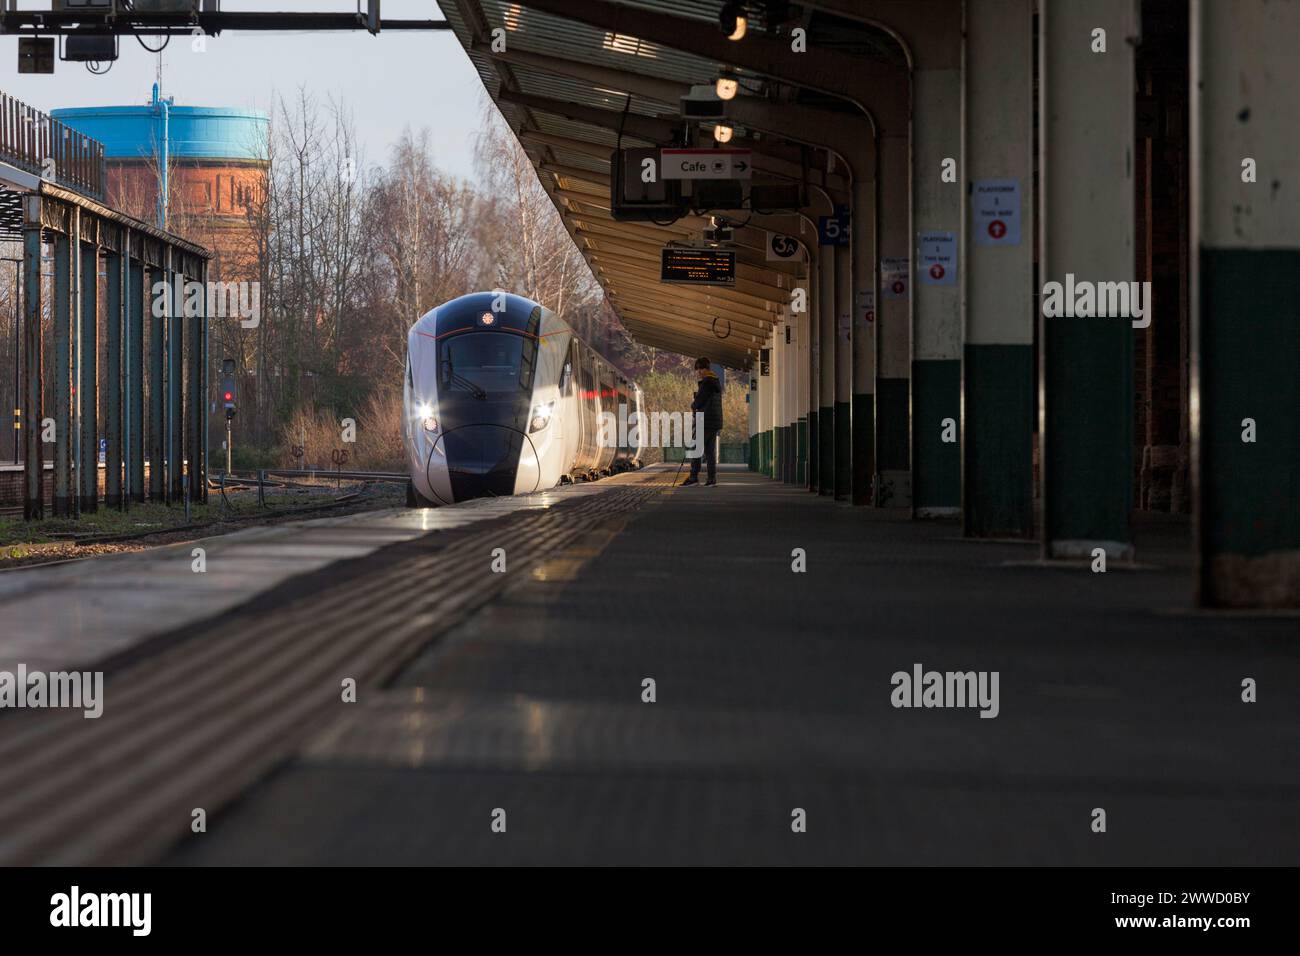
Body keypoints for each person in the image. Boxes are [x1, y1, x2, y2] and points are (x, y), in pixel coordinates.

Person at [682, 356, 723, 486]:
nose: (699, 372)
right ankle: (711, 479)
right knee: (710, 452)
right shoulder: (715, 381)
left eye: (701, 369)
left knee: (696, 448)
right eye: (697, 369)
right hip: (715, 421)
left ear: (706, 369)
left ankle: (693, 477)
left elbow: (699, 402)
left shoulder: (707, 382)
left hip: (705, 421)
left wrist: (693, 406)